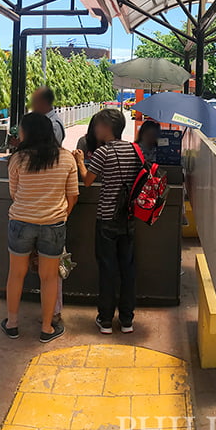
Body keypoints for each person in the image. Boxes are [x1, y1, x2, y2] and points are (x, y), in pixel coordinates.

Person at [2, 112, 77, 344]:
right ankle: (46, 328)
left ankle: (12, 324)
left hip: (21, 222)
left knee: (16, 274)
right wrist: (60, 215)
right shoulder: (66, 158)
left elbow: (14, 193)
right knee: (49, 277)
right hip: (53, 224)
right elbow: (73, 195)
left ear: (28, 133)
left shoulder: (18, 159)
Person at [74, 109, 143, 334]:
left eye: (98, 126)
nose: (95, 130)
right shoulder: (135, 150)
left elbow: (87, 181)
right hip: (129, 218)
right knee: (128, 269)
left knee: (107, 269)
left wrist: (79, 161)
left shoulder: (103, 153)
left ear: (106, 127)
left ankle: (105, 320)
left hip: (106, 218)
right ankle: (127, 320)